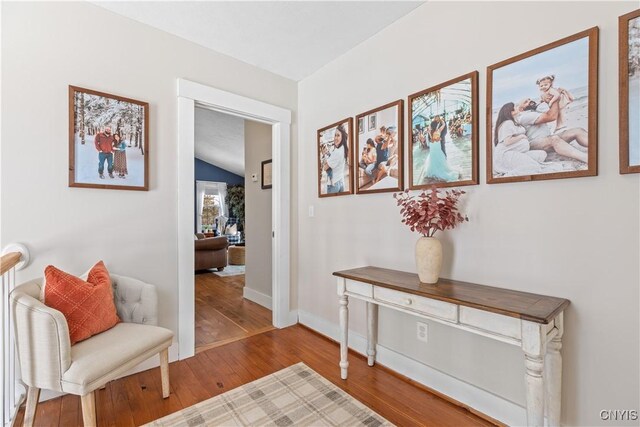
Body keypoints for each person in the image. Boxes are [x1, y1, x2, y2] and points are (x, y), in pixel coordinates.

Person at [493, 103, 562, 177]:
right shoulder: (507, 123)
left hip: (519, 152)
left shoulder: (514, 122)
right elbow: (507, 141)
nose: (517, 107)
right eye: (515, 107)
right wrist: (521, 137)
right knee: (533, 167)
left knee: (541, 155)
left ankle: (520, 165)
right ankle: (507, 176)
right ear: (510, 112)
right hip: (506, 154)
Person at [515, 97, 588, 163]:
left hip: (547, 138)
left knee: (577, 131)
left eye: (529, 99)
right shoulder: (524, 116)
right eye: (526, 102)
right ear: (521, 109)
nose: (530, 101)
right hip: (534, 144)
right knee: (554, 139)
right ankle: (585, 158)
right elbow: (552, 116)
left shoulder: (534, 111)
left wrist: (548, 101)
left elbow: (553, 110)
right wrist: (555, 98)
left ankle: (596, 147)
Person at [323, 124, 349, 193]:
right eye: (335, 135)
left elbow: (325, 168)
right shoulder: (343, 147)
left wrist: (325, 155)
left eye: (338, 135)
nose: (335, 138)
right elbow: (333, 159)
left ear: (342, 137)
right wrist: (328, 154)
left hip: (333, 184)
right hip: (341, 181)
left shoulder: (337, 152)